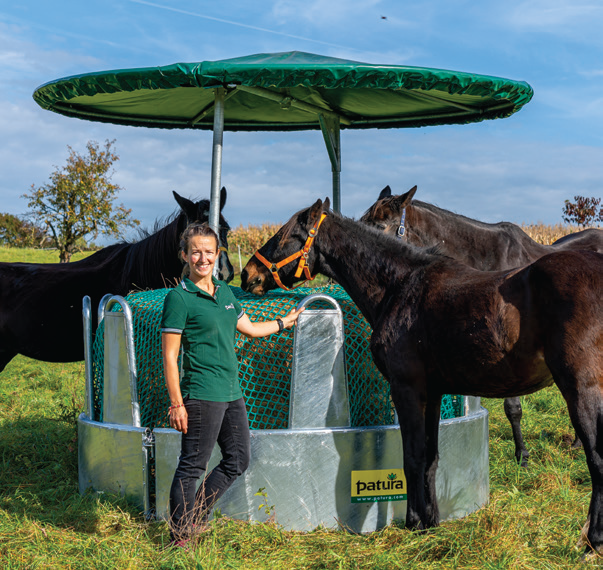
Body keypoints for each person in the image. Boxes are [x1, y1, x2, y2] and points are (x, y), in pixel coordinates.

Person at [161, 222, 304, 546]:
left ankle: (193, 518)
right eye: (195, 251)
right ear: (185, 255)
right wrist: (177, 403)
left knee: (238, 459)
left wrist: (285, 321)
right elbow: (170, 357)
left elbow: (250, 329)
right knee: (192, 466)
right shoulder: (179, 298)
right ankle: (179, 539)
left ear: (217, 255)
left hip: (231, 393)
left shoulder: (224, 293)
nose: (202, 258)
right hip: (201, 395)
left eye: (209, 252)